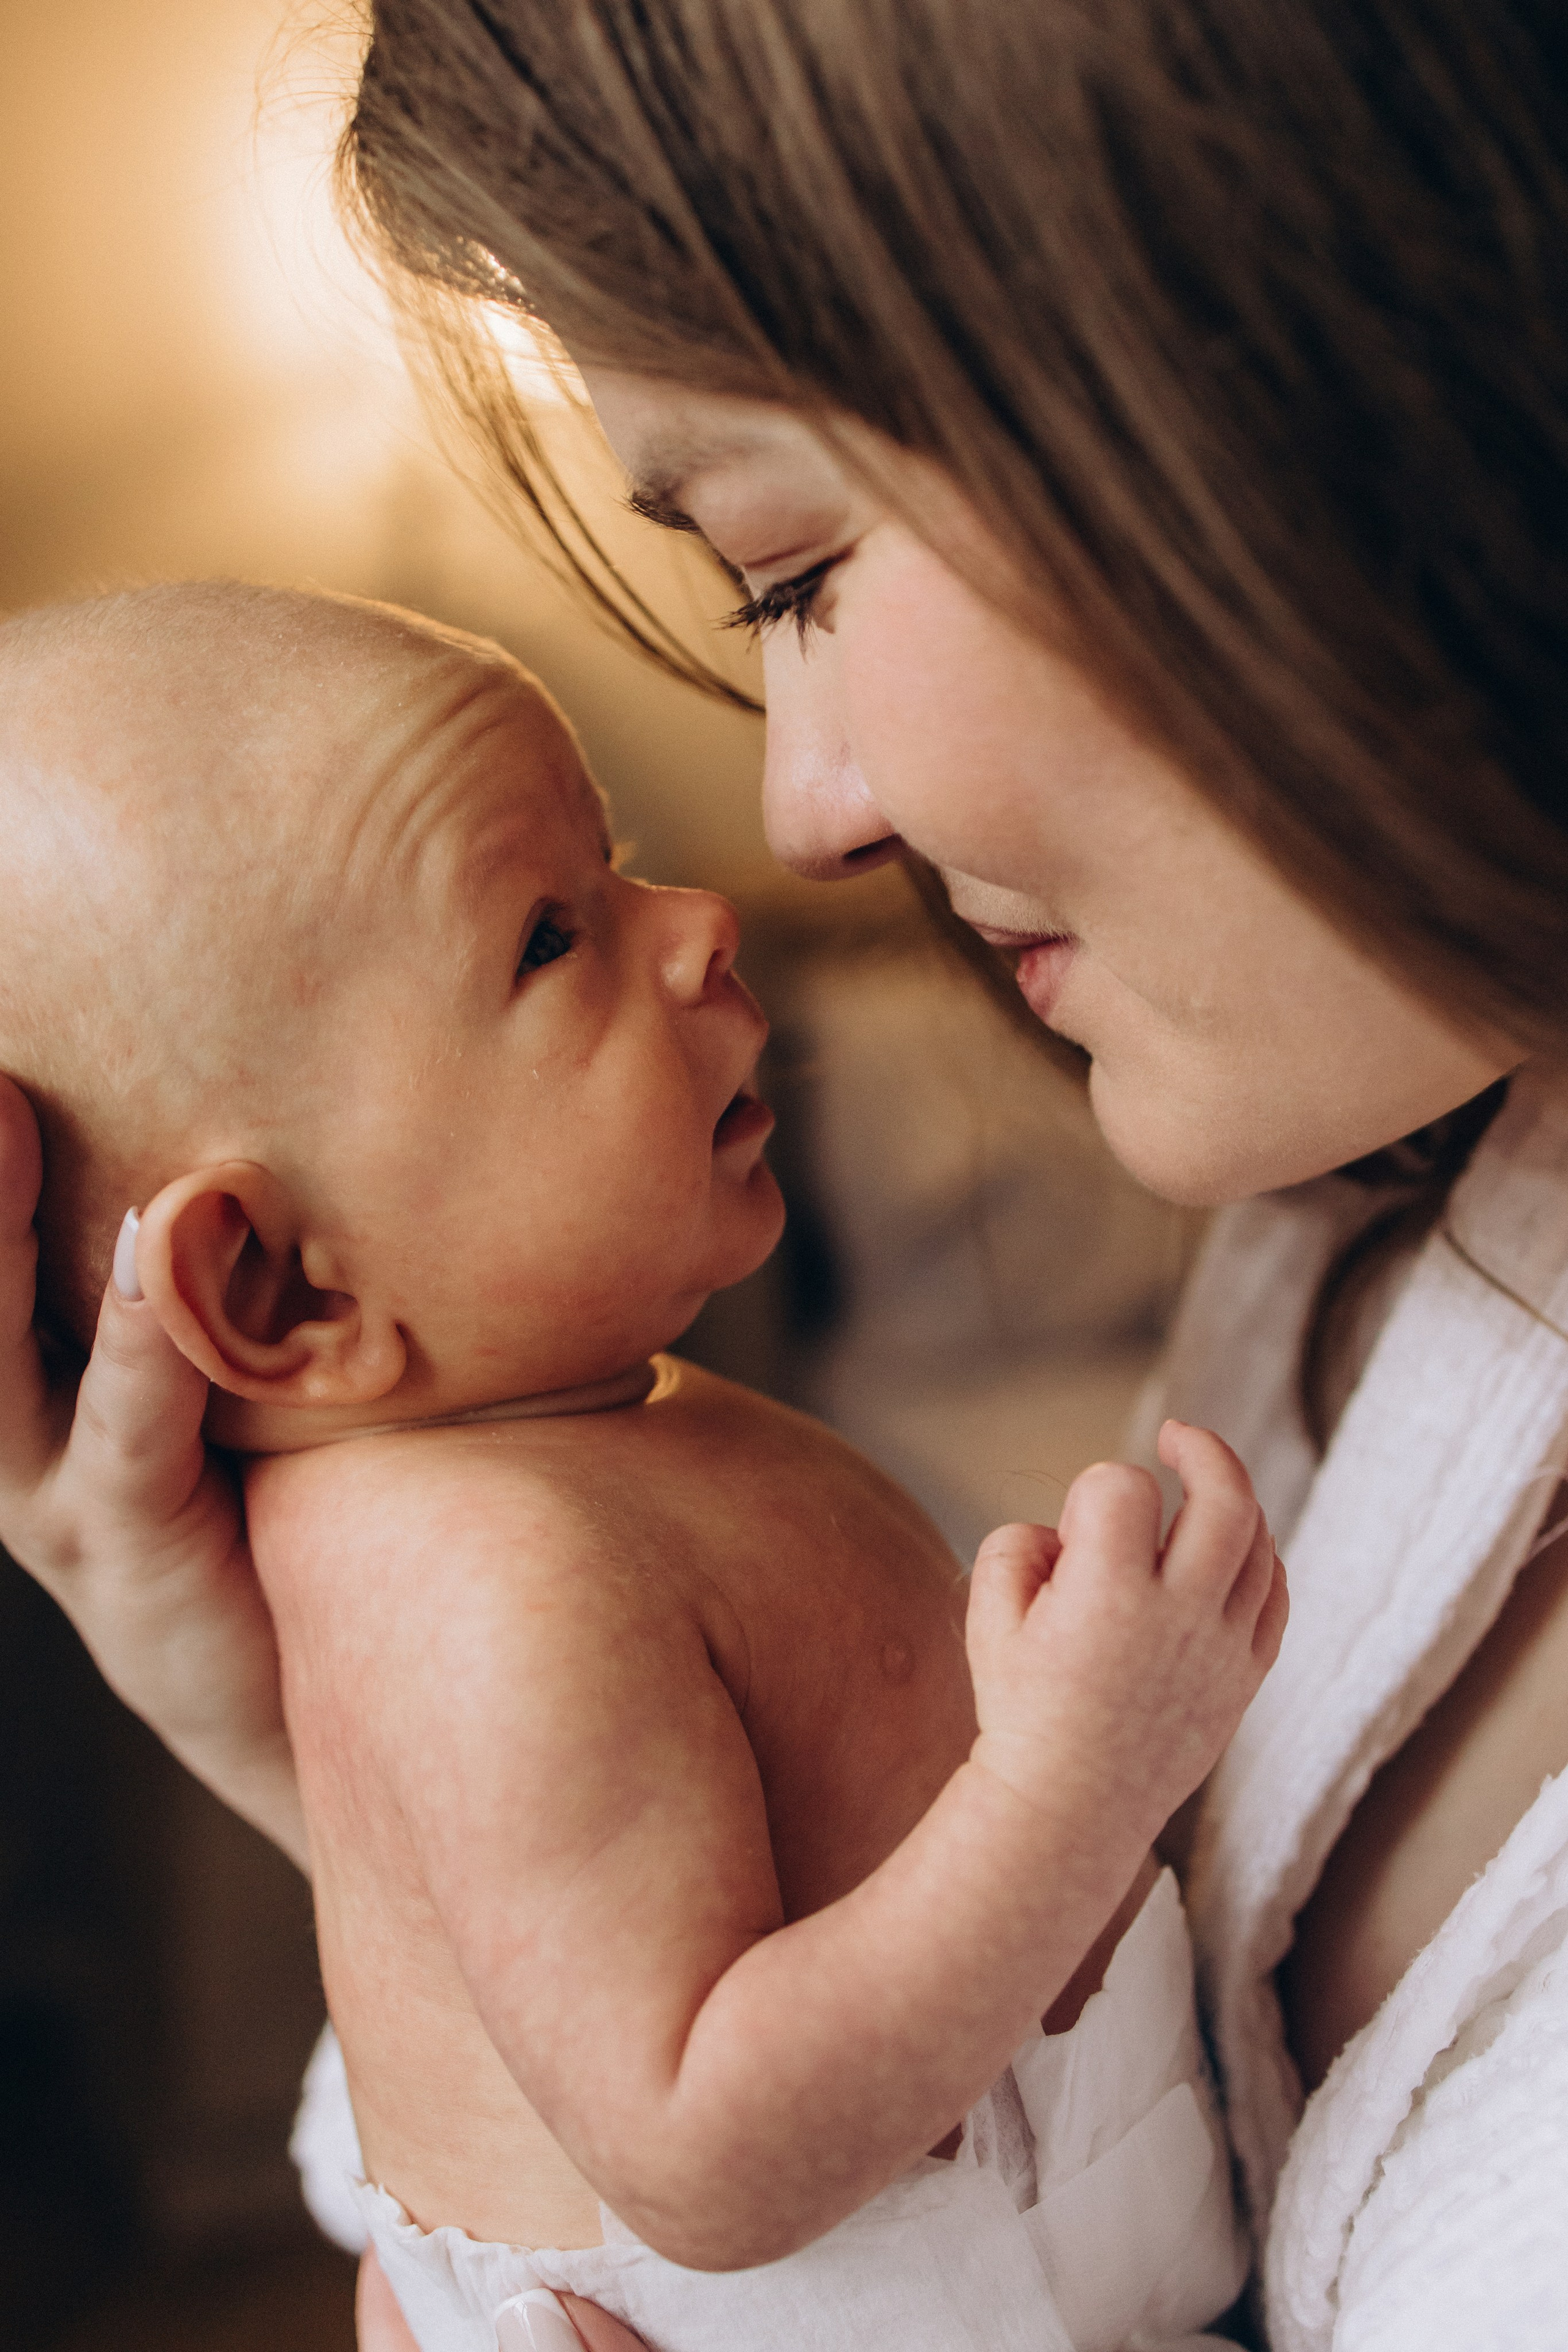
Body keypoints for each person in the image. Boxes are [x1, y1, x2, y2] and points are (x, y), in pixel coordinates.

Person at [2, 2, 1565, 2343]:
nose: (790, 835)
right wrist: (258, 1717)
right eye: (547, 933)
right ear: (286, 1290)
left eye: (795, 562)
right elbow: (697, 2117)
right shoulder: (1349, 1231)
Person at [0, 579, 1280, 2352]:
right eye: (547, 937)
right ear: (282, 1284)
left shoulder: (540, 1466)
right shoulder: (492, 1581)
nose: (692, 923)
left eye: (610, 862)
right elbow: (705, 2155)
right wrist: (1081, 1781)